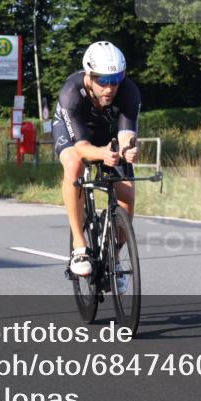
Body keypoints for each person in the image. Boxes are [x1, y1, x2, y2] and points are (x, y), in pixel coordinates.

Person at [51, 41, 140, 286]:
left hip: (107, 134)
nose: (110, 87)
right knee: (74, 165)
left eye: (116, 79)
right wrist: (101, 154)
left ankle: (114, 258)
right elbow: (80, 148)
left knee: (127, 195)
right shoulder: (71, 93)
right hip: (74, 135)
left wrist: (128, 150)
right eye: (103, 80)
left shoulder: (128, 91)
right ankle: (80, 247)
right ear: (89, 76)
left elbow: (126, 134)